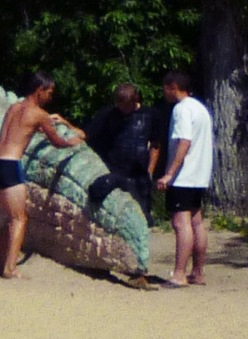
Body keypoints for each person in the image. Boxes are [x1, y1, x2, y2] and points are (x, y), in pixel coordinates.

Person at [0, 75, 81, 278]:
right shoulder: (40, 114)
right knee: (20, 218)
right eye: (49, 92)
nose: (50, 97)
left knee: (11, 217)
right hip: (10, 166)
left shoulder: (14, 108)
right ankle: (10, 269)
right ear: (40, 90)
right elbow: (57, 141)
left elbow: (18, 132)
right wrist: (71, 142)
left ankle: (0, 264)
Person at [157, 68, 215, 287]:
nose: (165, 93)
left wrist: (170, 173)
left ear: (174, 88)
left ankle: (179, 274)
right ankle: (198, 272)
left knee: (181, 223)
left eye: (166, 89)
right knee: (196, 222)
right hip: (199, 175)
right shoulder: (200, 109)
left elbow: (184, 141)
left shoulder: (181, 109)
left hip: (184, 176)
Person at [82, 82, 167, 218]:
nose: (122, 108)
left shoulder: (151, 115)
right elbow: (86, 134)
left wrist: (150, 171)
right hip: (112, 170)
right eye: (119, 104)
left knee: (141, 214)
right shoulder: (109, 114)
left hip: (139, 174)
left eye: (126, 105)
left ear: (135, 100)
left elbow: (155, 145)